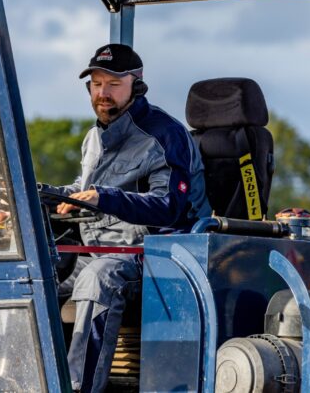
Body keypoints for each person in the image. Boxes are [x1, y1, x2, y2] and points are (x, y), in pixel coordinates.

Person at [55, 43, 212, 393]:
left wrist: (104, 198)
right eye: (96, 83)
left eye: (113, 84)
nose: (102, 93)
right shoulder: (93, 137)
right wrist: (39, 196)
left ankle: (78, 387)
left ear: (136, 84)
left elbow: (169, 206)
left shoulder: (165, 135)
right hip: (97, 251)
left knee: (98, 279)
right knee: (32, 275)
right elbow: (83, 190)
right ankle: (6, 379)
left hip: (154, 258)